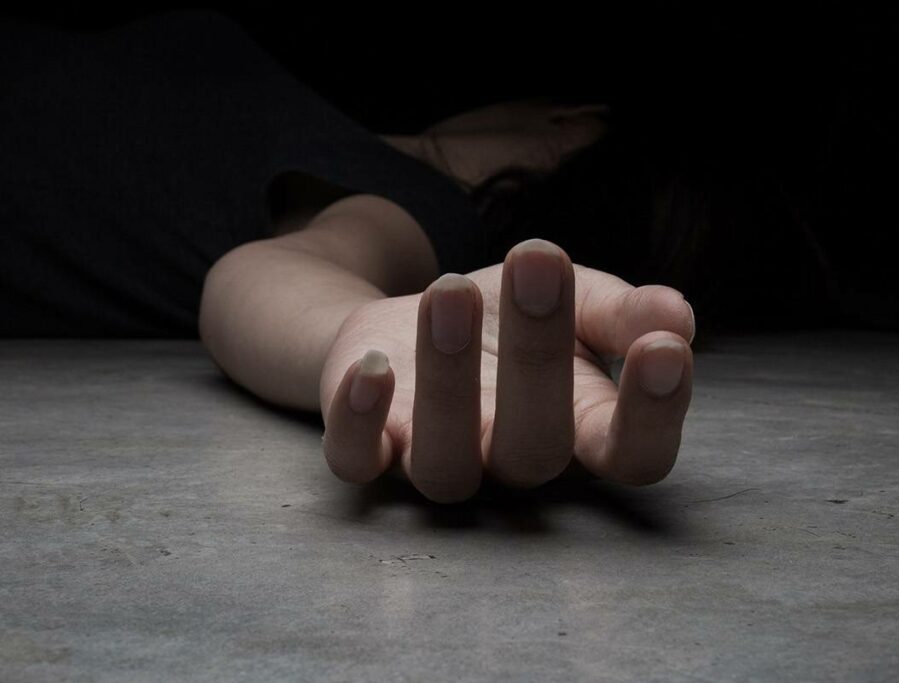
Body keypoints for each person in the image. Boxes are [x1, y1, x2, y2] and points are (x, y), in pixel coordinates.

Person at [1, 10, 695, 503]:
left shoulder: (419, 203)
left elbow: (268, 271)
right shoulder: (337, 136)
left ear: (571, 120)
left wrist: (359, 331)